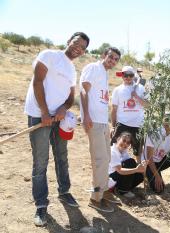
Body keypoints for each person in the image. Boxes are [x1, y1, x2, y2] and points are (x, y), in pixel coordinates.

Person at [24, 32, 90, 226]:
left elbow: (70, 97)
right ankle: (41, 206)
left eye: (83, 48)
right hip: (40, 115)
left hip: (59, 118)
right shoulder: (49, 55)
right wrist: (45, 112)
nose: (78, 49)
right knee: (41, 161)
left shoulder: (72, 70)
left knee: (62, 155)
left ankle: (64, 191)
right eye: (76, 43)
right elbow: (37, 82)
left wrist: (63, 108)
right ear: (69, 41)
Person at [80, 47, 121, 212]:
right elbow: (84, 90)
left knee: (106, 158)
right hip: (94, 121)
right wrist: (86, 116)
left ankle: (103, 191)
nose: (112, 61)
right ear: (104, 55)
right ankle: (96, 199)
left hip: (102, 122)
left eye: (116, 59)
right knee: (100, 160)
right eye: (110, 57)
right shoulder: (93, 68)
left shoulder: (104, 73)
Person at [111, 66, 148, 163]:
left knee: (138, 152)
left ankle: (140, 175)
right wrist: (113, 126)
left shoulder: (141, 88)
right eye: (125, 75)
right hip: (122, 123)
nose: (127, 77)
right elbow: (114, 109)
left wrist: (136, 96)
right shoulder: (117, 90)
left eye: (130, 75)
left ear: (133, 75)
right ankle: (112, 171)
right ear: (122, 76)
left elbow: (148, 105)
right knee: (115, 148)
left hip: (138, 124)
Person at [144, 113, 170, 193]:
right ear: (162, 121)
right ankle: (148, 176)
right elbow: (149, 159)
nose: (168, 122)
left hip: (160, 162)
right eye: (166, 119)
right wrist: (157, 176)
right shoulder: (154, 134)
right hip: (149, 164)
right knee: (159, 189)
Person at [109, 132, 147, 198]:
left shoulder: (124, 152)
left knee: (139, 176)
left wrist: (143, 165)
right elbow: (120, 170)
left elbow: (133, 166)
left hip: (116, 176)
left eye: (128, 143)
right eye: (124, 140)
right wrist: (136, 169)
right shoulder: (112, 152)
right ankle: (123, 191)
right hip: (110, 178)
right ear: (118, 139)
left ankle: (120, 188)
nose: (125, 143)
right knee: (130, 163)